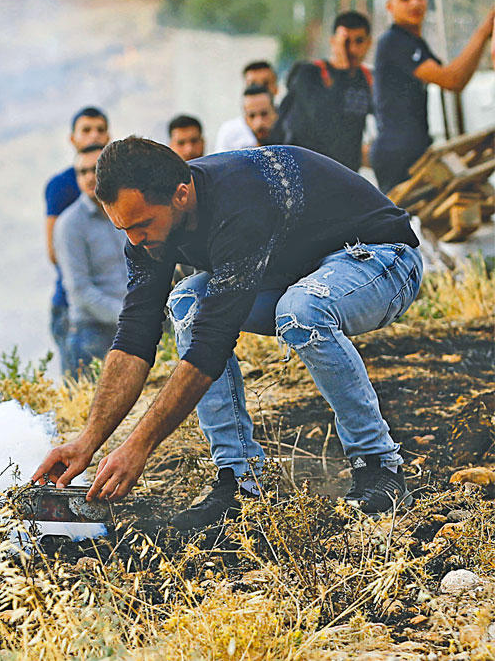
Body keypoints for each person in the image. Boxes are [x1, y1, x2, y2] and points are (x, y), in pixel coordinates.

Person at [32, 138, 422, 532]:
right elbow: (134, 336)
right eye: (124, 228)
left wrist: (138, 447)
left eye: (142, 225)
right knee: (186, 301)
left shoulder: (242, 201)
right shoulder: (150, 231)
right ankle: (240, 481)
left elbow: (210, 347)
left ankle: (380, 466)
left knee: (301, 311)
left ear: (181, 195)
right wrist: (87, 441)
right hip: (297, 274)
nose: (133, 239)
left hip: (383, 258)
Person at [370, 0, 495, 192]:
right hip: (398, 154)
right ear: (389, 7)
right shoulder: (395, 42)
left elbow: (458, 79)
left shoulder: (415, 43)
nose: (415, 3)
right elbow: (452, 79)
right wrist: (484, 31)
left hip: (417, 149)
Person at [54, 144, 128, 379]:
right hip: (92, 334)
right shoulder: (69, 224)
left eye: (94, 170)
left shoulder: (125, 210)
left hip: (131, 325)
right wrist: (130, 315)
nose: (88, 177)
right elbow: (79, 291)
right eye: (82, 172)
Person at [45, 108, 111, 371]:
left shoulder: (121, 187)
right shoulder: (62, 187)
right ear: (72, 138)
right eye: (86, 130)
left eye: (100, 129)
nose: (93, 135)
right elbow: (54, 252)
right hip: (75, 306)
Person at [275, 11, 373, 171]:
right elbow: (322, 119)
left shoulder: (366, 79)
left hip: (346, 174)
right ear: (333, 42)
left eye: (359, 41)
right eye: (346, 42)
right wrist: (342, 70)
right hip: (306, 170)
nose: (352, 49)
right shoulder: (310, 73)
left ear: (369, 43)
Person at [213, 61, 278, 152]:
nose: (259, 88)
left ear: (276, 87)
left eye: (265, 83)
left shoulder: (292, 126)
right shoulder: (229, 132)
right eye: (253, 84)